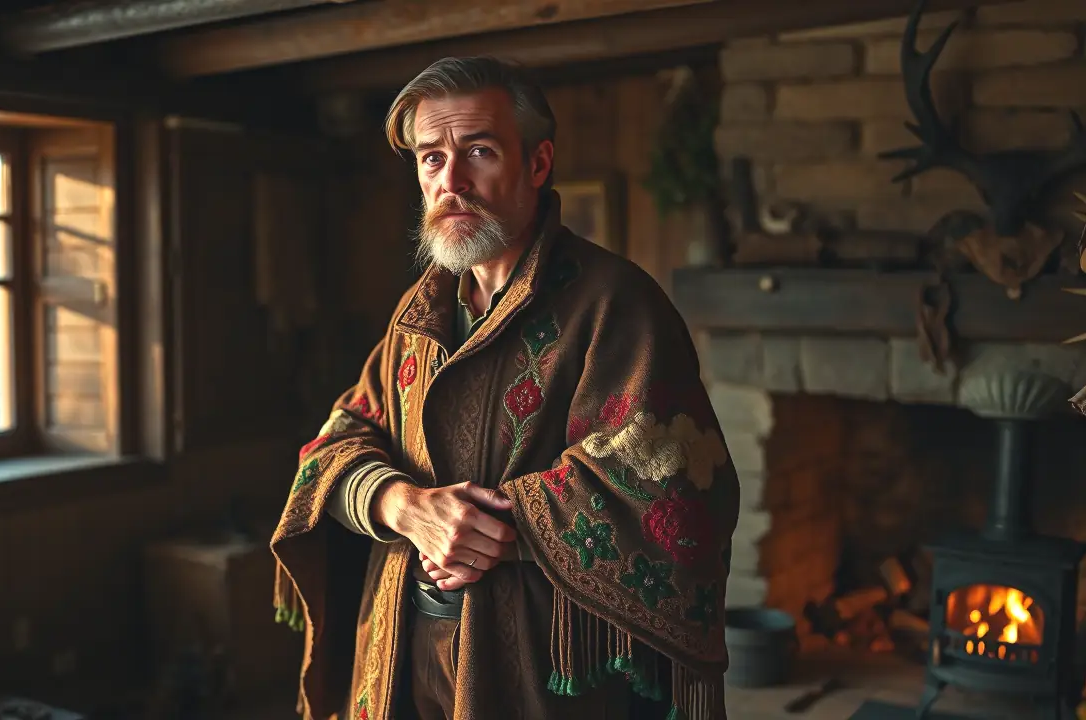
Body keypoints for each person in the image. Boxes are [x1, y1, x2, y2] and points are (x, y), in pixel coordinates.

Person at [270, 56, 739, 720]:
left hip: (540, 669)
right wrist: (401, 504)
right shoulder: (418, 312)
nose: (451, 181)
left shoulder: (615, 304)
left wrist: (487, 528)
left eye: (479, 151)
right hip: (398, 649)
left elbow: (675, 486)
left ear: (538, 164)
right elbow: (338, 439)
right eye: (431, 159)